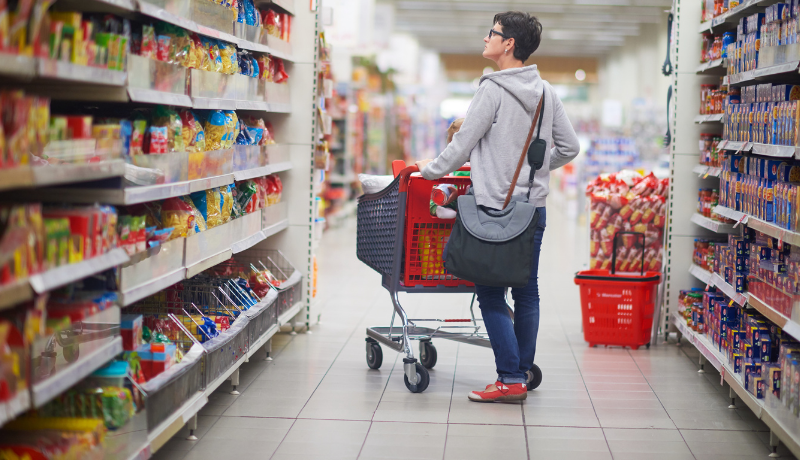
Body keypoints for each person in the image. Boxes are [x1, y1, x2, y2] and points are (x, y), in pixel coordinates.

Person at [415, 11, 580, 403]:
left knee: (490, 295)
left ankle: (509, 379)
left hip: (492, 208)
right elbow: (570, 147)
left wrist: (429, 171)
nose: (486, 37)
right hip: (531, 209)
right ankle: (519, 371)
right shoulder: (545, 92)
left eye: (493, 33)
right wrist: (534, 171)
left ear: (508, 44)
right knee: (527, 292)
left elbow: (461, 147)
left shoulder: (491, 90)